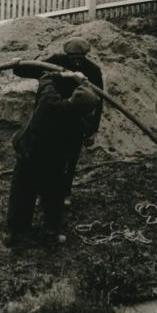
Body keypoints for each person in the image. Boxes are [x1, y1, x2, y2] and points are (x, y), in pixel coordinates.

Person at [5, 72, 101, 247]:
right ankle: (50, 234)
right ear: (84, 110)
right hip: (51, 162)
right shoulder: (78, 125)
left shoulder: (49, 102)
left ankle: (16, 233)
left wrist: (67, 75)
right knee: (53, 197)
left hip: (28, 153)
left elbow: (45, 79)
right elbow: (73, 150)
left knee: (22, 192)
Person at [14, 36, 103, 204]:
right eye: (73, 58)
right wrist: (17, 67)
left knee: (70, 159)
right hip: (53, 120)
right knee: (47, 158)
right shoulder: (56, 62)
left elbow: (98, 102)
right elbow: (34, 71)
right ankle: (43, 193)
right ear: (67, 54)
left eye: (80, 58)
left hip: (76, 123)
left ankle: (64, 193)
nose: (76, 62)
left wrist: (93, 130)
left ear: (85, 55)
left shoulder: (93, 70)